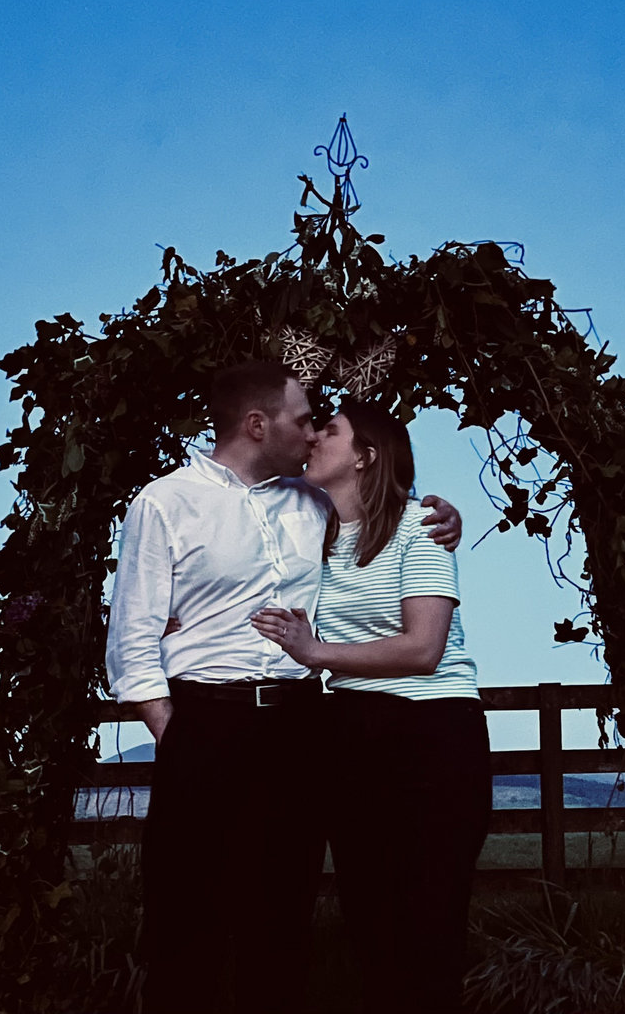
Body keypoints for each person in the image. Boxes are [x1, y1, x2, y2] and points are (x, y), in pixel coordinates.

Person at [105, 361, 460, 1014]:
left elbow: (379, 507)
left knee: (281, 918)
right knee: (184, 915)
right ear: (256, 424)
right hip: (205, 721)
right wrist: (174, 731)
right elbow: (131, 637)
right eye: (302, 420)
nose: (312, 432)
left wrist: (439, 516)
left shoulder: (311, 500)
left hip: (299, 726)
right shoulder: (164, 503)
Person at [251, 400, 491, 1014]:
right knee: (371, 922)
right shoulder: (309, 534)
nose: (313, 439)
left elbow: (423, 649)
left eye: (329, 431)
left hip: (434, 736)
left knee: (430, 922)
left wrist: (316, 652)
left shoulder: (420, 528)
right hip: (350, 734)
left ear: (366, 456)